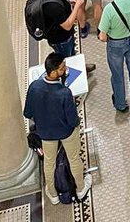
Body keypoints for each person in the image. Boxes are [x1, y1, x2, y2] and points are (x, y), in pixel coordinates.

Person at [23, 51, 92, 204]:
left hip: (46, 133)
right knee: (74, 159)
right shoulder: (64, 93)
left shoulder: (34, 87)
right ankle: (81, 188)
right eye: (62, 68)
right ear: (53, 72)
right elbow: (73, 120)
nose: (65, 70)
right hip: (66, 132)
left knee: (49, 162)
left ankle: (53, 194)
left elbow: (28, 112)